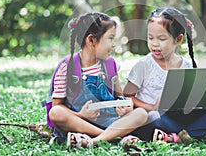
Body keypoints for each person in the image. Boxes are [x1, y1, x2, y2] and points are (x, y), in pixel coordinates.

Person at [124, 7, 206, 143]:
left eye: (161, 39)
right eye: (150, 38)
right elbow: (126, 96)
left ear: (178, 39)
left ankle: (176, 137)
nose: (154, 44)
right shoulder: (143, 65)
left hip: (179, 116)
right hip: (156, 116)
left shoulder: (186, 65)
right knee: (152, 118)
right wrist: (152, 106)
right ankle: (196, 133)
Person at [48, 12, 147, 149]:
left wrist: (125, 107)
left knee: (141, 113)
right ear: (91, 40)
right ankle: (112, 137)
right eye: (111, 38)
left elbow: (120, 97)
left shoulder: (110, 65)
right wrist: (80, 114)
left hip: (111, 121)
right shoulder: (68, 67)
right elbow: (57, 107)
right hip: (80, 123)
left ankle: (94, 141)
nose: (113, 45)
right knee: (55, 113)